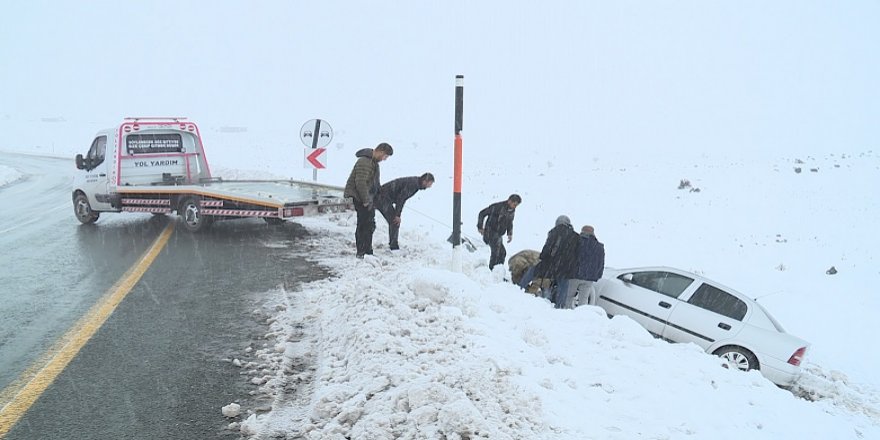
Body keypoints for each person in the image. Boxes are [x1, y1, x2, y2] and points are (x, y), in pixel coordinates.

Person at [344, 142, 393, 258]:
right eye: (385, 156)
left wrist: (379, 193)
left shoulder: (374, 163)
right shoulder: (364, 162)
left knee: (370, 224)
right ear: (380, 151)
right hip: (360, 197)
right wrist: (366, 200)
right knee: (363, 224)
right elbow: (360, 183)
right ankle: (361, 252)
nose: (384, 159)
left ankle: (368, 251)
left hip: (368, 197)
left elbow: (374, 182)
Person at [375, 173, 434, 250]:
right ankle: (394, 246)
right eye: (430, 184)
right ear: (425, 181)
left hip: (383, 196)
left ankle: (393, 244)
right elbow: (401, 199)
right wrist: (397, 215)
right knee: (395, 221)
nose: (430, 187)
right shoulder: (413, 185)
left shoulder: (415, 182)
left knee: (394, 221)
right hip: (382, 198)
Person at [531, 215, 580, 307]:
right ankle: (560, 306)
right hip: (567, 266)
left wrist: (543, 257)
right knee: (563, 286)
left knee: (547, 281)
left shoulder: (554, 231)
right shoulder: (576, 236)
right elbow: (577, 253)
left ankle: (546, 302)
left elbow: (548, 247)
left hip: (553, 263)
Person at [477, 194, 521, 270]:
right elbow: (482, 213)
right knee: (496, 253)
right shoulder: (497, 207)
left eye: (516, 205)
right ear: (509, 201)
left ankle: (498, 271)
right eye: (514, 204)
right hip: (490, 232)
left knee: (502, 253)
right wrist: (480, 227)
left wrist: (509, 233)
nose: (515, 207)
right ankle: (491, 271)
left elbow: (510, 222)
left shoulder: (512, 211)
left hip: (499, 234)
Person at [572, 225, 605, 307]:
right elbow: (601, 263)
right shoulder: (599, 247)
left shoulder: (576, 242)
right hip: (589, 278)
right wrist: (597, 275)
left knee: (569, 297)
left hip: (574, 275)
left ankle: (565, 314)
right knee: (584, 300)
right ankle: (581, 316)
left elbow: (570, 258)